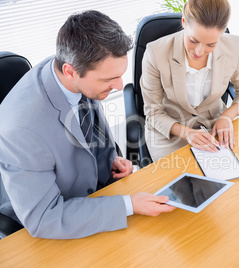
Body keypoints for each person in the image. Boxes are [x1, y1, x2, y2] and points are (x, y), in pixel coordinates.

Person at [0, 10, 175, 239]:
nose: (120, 86)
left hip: (93, 196)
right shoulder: (22, 128)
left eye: (119, 75)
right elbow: (46, 218)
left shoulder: (72, 72)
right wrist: (128, 205)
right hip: (50, 221)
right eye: (108, 80)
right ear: (70, 71)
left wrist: (109, 161)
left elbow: (85, 132)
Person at [141, 0, 239, 161]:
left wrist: (227, 116)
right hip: (171, 129)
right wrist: (187, 133)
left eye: (211, 44)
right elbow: (153, 112)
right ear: (183, 22)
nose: (200, 51)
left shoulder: (235, 47)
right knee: (179, 182)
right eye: (193, 40)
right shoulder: (156, 52)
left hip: (214, 125)